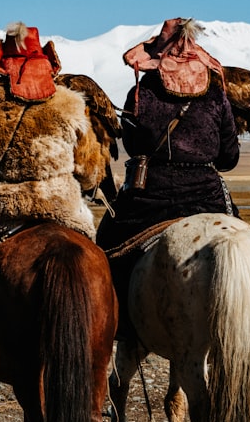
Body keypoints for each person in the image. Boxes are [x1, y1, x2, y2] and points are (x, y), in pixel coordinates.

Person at [0, 22, 109, 378]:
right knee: (100, 268)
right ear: (49, 63)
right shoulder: (71, 105)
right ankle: (106, 350)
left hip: (1, 211)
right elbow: (91, 170)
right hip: (64, 209)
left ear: (1, 62)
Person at [95, 18, 241, 333]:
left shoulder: (142, 91)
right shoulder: (216, 94)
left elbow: (133, 146)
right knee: (242, 245)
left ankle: (119, 329)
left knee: (105, 245)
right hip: (208, 199)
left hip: (149, 198)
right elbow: (229, 158)